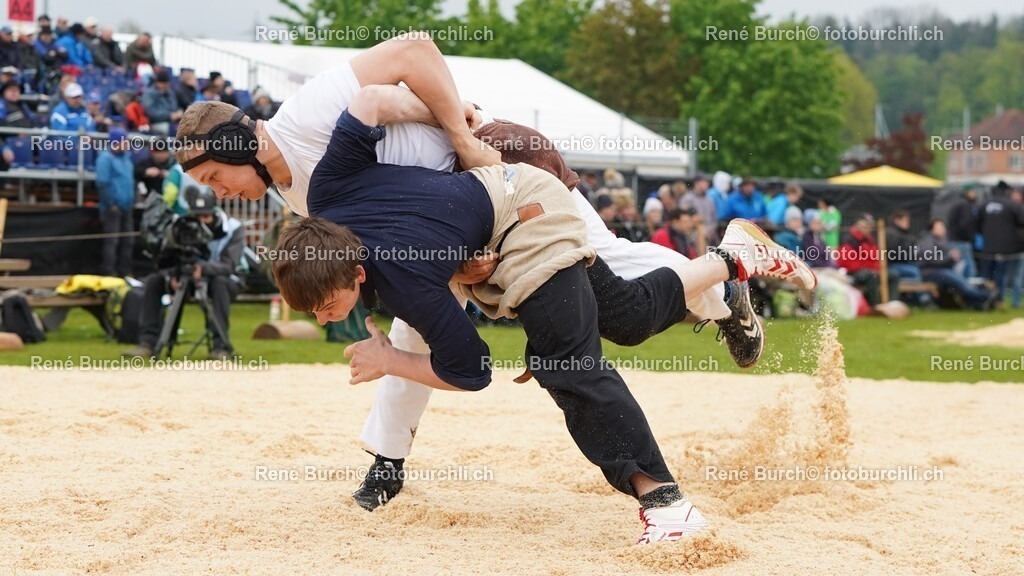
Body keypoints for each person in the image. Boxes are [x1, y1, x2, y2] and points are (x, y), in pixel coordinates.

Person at [173, 32, 762, 511]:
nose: (220, 192)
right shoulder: (288, 187)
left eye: (212, 178)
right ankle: (388, 461)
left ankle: (723, 287)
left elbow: (414, 52)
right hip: (456, 221)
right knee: (413, 326)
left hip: (495, 164)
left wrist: (458, 127)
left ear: (231, 144)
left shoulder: (306, 115)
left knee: (609, 266)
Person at [267, 93, 814, 543]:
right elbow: (369, 107)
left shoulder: (400, 275)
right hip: (510, 194)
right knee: (624, 315)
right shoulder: (332, 196)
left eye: (321, 306)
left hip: (517, 184)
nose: (320, 320)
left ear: (354, 273)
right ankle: (732, 260)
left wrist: (390, 358)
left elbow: (472, 370)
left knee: (566, 361)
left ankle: (667, 505)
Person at [124, 186, 244, 360]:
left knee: (219, 282)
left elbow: (229, 265)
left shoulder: (233, 228)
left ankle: (221, 347)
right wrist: (173, 275)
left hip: (226, 280)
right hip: (186, 277)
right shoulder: (181, 227)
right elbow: (169, 258)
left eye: (206, 217)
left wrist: (202, 269)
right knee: (154, 281)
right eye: (197, 217)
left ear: (214, 214)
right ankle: (147, 343)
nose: (201, 222)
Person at [916, 219, 994, 310]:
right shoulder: (928, 241)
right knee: (961, 284)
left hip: (942, 270)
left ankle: (980, 301)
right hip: (932, 272)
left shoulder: (941, 241)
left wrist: (953, 258)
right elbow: (931, 259)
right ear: (931, 229)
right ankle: (986, 297)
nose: (942, 229)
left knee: (962, 282)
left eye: (943, 227)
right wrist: (950, 257)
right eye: (939, 227)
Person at [95, 129, 135, 277]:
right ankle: (109, 271)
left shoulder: (126, 158)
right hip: (112, 208)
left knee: (128, 241)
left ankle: (125, 271)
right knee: (112, 241)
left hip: (127, 206)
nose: (128, 144)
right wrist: (111, 203)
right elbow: (102, 183)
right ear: (116, 142)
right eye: (125, 141)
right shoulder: (105, 158)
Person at [837, 215, 894, 306]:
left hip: (870, 270)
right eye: (866, 226)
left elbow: (875, 257)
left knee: (893, 275)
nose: (869, 229)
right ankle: (874, 305)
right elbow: (846, 262)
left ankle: (891, 304)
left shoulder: (869, 240)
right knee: (871, 275)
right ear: (859, 226)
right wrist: (868, 267)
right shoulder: (849, 240)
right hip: (853, 273)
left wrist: (876, 268)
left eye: (870, 226)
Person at [946, 186, 979, 279]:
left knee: (958, 269)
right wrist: (970, 237)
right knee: (970, 271)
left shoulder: (957, 203)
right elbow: (965, 224)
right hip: (961, 241)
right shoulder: (965, 205)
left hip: (953, 240)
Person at [885, 209, 923, 285]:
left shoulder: (904, 234)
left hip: (905, 263)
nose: (907, 223)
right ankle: (922, 296)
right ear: (896, 220)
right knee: (915, 272)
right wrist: (910, 255)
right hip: (893, 265)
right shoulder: (891, 233)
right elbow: (893, 254)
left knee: (921, 269)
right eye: (905, 220)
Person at [142, 69, 183, 134]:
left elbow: (175, 106)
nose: (166, 86)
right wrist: (169, 116)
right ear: (157, 83)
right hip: (156, 123)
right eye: (164, 84)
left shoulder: (170, 93)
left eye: (167, 84)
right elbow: (151, 113)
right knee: (176, 130)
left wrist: (179, 112)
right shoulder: (149, 94)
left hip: (172, 122)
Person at [681, 173, 718, 245]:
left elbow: (714, 220)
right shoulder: (687, 199)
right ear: (697, 183)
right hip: (693, 237)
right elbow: (684, 220)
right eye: (704, 182)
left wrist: (709, 231)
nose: (707, 184)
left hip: (710, 237)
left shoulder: (710, 200)